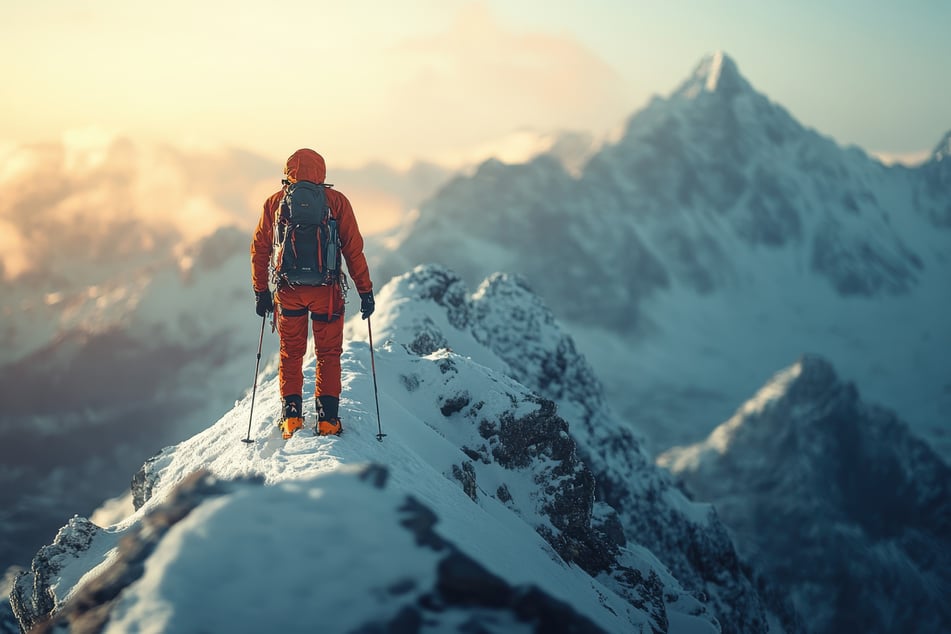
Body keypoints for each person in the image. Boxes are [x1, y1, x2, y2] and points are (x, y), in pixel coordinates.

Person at [250, 148, 374, 439]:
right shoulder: (336, 202)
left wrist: (260, 291)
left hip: (289, 291)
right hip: (327, 292)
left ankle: (291, 419)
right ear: (322, 172)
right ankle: (328, 421)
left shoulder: (276, 203)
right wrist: (365, 290)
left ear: (289, 172)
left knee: (291, 353)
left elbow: (260, 249)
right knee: (328, 353)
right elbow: (353, 250)